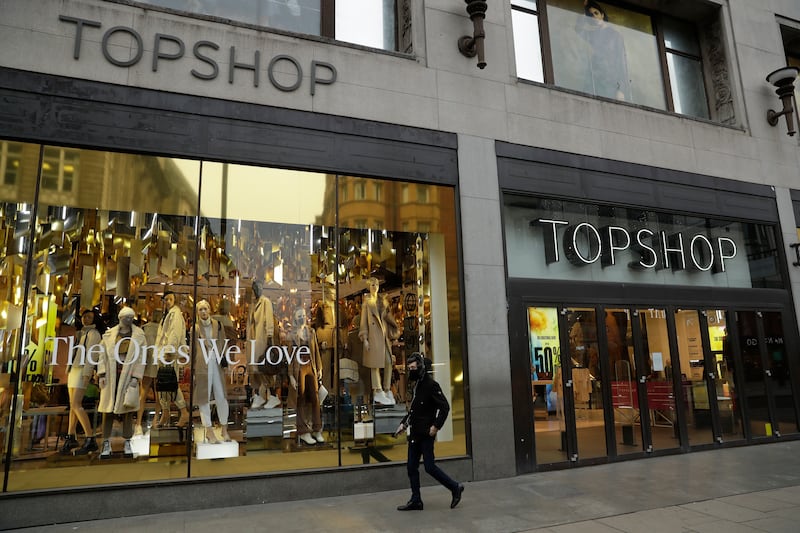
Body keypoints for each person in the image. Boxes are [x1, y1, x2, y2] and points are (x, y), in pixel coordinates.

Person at [395, 352, 464, 511]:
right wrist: (403, 425)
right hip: (415, 434)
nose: (410, 371)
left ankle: (455, 488)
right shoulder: (417, 385)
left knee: (429, 467)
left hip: (426, 434)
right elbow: (414, 411)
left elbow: (445, 407)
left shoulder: (431, 385)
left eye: (412, 368)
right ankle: (416, 500)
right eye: (409, 368)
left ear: (420, 367)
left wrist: (436, 426)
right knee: (411, 467)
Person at [97, 306, 146, 459]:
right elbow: (102, 355)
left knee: (127, 409)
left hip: (128, 374)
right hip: (112, 374)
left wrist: (136, 377)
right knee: (108, 409)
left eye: (131, 317)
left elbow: (141, 358)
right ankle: (106, 441)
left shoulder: (139, 336)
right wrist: (102, 373)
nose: (129, 320)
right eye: (126, 317)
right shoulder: (109, 335)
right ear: (120, 318)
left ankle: (127, 441)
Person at [62, 309, 101, 455]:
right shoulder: (81, 334)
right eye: (84, 316)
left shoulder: (94, 334)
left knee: (77, 404)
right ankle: (71, 436)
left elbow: (92, 355)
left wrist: (87, 373)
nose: (86, 319)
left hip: (82, 370)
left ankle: (90, 437)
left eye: (89, 317)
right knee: (73, 405)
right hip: (74, 370)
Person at [576, 0, 631, 101]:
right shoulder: (592, 34)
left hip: (610, 79)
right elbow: (578, 30)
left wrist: (621, 90)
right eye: (591, 15)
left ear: (602, 15)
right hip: (594, 77)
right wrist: (584, 12)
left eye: (596, 13)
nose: (594, 17)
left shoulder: (615, 35)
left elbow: (621, 63)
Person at [193, 300, 231, 443]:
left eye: (205, 309)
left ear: (209, 310)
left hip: (217, 362)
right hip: (203, 365)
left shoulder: (218, 325)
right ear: (197, 312)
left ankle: (224, 428)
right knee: (203, 398)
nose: (203, 312)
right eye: (200, 309)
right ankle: (209, 430)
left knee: (221, 396)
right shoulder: (195, 329)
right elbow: (193, 350)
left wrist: (226, 362)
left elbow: (223, 342)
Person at [359, 277, 399, 405]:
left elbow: (388, 318)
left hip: (384, 338)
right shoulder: (367, 303)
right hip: (373, 337)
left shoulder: (383, 302)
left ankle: (387, 389)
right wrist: (365, 338)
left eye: (376, 284)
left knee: (388, 362)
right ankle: (377, 390)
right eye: (372, 285)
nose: (374, 287)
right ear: (369, 287)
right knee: (374, 365)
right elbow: (363, 322)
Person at [154, 290, 189, 428]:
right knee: (163, 384)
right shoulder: (167, 315)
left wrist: (169, 351)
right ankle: (166, 411)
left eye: (170, 299)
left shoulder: (175, 314)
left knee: (170, 382)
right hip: (163, 353)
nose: (167, 301)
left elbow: (175, 333)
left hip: (168, 354)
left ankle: (183, 410)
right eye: (165, 299)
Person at [289, 306, 324, 445]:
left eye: (303, 315)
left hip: (311, 365)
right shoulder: (293, 334)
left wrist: (319, 367)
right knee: (301, 398)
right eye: (299, 316)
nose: (302, 318)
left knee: (315, 397)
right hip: (299, 367)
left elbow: (315, 350)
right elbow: (290, 355)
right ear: (295, 319)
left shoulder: (311, 331)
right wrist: (291, 375)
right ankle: (303, 431)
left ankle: (317, 428)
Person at [247, 280, 282, 409]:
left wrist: (269, 340)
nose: (255, 291)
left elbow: (269, 322)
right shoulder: (253, 303)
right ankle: (260, 396)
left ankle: (272, 396)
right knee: (256, 370)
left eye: (256, 288)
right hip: (253, 341)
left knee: (265, 368)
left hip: (262, 341)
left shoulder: (265, 302)